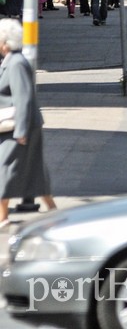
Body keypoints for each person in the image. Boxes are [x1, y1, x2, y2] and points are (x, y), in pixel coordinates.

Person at [0, 19, 57, 227]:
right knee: (35, 171)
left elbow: (23, 97)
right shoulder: (10, 61)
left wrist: (21, 131)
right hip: (19, 126)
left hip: (19, 127)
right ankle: (53, 212)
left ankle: (2, 216)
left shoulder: (15, 63)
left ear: (6, 42)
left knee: (4, 167)